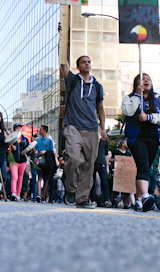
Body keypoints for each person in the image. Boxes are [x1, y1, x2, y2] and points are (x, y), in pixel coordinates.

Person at [61, 56, 106, 209]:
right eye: (83, 62)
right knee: (73, 158)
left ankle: (82, 198)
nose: (87, 64)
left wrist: (103, 129)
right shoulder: (73, 80)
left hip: (92, 130)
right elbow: (63, 63)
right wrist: (60, 37)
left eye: (89, 62)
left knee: (88, 165)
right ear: (78, 66)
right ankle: (72, 189)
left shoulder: (97, 86)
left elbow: (100, 109)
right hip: (73, 127)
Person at [122, 74, 160, 212]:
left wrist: (149, 117)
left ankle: (138, 199)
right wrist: (137, 95)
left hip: (153, 138)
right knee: (143, 166)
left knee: (145, 168)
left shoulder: (158, 99)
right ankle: (146, 196)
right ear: (136, 83)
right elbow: (128, 111)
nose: (146, 81)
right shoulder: (129, 98)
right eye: (142, 79)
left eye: (148, 78)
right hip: (136, 138)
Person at [35, 125, 57, 203]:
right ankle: (39, 195)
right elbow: (35, 150)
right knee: (39, 178)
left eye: (40, 130)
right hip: (40, 161)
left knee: (46, 179)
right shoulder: (38, 140)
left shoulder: (50, 141)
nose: (39, 131)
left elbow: (52, 152)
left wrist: (45, 151)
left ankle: (43, 196)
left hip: (47, 162)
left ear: (45, 131)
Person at [89, 129, 111, 208]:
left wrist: (107, 166)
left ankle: (106, 199)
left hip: (102, 162)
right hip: (93, 163)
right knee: (93, 182)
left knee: (104, 182)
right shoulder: (92, 140)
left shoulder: (104, 141)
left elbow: (106, 154)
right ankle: (93, 199)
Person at [9, 124, 29, 201]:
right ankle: (13, 193)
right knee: (14, 177)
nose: (18, 129)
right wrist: (11, 147)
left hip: (22, 161)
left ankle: (18, 194)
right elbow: (7, 148)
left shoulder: (24, 139)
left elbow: (28, 149)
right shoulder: (11, 138)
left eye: (19, 128)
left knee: (20, 178)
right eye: (16, 128)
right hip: (13, 160)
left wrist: (27, 151)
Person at [0, 112, 9, 196]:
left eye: (0, 116)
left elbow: (8, 141)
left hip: (2, 152)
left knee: (0, 171)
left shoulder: (4, 131)